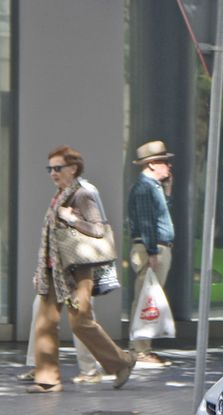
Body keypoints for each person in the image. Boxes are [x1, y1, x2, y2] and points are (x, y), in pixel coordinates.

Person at [27, 147, 135, 393]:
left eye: (57, 168)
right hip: (54, 272)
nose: (53, 173)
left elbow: (98, 230)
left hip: (77, 273)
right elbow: (49, 240)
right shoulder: (59, 195)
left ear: (73, 168)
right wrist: (40, 270)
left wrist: (71, 218)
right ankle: (47, 380)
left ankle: (122, 362)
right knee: (44, 322)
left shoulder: (82, 195)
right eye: (50, 169)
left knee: (80, 324)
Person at [126, 140, 176, 365]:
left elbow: (157, 215)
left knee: (148, 297)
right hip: (151, 249)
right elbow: (147, 222)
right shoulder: (145, 187)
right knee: (147, 299)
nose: (168, 166)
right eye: (165, 162)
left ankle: (141, 348)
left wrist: (167, 189)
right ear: (153, 164)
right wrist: (153, 251)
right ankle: (140, 350)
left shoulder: (151, 186)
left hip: (154, 247)